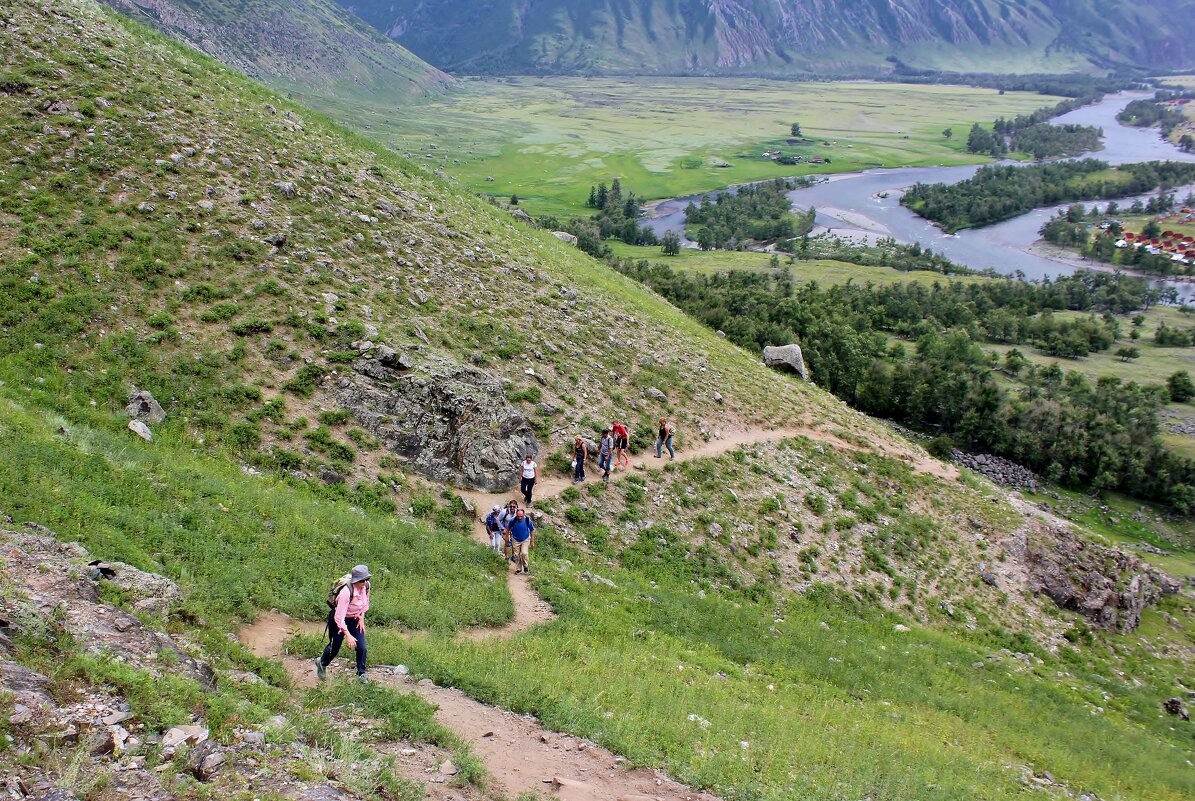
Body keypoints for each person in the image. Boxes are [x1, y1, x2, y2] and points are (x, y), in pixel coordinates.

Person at [316, 564, 370, 681]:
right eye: (362, 580)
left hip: (355, 618)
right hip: (339, 619)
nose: (364, 582)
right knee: (334, 647)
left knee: (362, 647)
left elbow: (365, 604)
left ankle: (361, 675)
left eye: (366, 579)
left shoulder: (366, 587)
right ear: (356, 580)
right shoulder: (346, 592)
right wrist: (348, 635)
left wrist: (361, 618)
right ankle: (322, 662)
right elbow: (339, 618)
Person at [504, 507, 535, 575]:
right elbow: (508, 528)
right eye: (518, 516)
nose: (520, 518)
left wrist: (532, 541)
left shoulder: (527, 520)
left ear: (523, 515)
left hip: (525, 539)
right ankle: (518, 569)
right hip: (515, 539)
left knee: (524, 553)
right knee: (516, 555)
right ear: (516, 515)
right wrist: (507, 537)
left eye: (521, 516)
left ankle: (526, 567)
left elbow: (532, 530)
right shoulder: (513, 520)